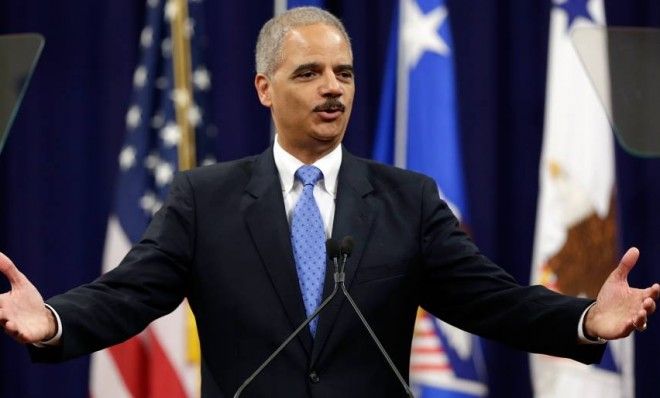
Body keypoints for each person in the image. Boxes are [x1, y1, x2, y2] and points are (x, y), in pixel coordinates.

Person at [0, 7, 658, 398]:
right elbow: (128, 294)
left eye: (343, 73)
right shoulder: (204, 199)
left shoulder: (407, 199)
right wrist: (53, 321)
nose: (332, 89)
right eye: (309, 73)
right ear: (264, 88)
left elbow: (491, 300)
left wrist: (584, 322)